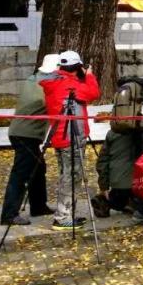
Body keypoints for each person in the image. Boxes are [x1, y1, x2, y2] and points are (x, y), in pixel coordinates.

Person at [40, 50, 101, 231]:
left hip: (59, 136)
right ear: (77, 68)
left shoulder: (53, 82)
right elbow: (93, 93)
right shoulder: (71, 84)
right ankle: (63, 216)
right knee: (71, 177)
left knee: (66, 174)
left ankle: (67, 213)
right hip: (71, 137)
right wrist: (89, 75)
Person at [0, 54, 60, 226]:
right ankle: (9, 214)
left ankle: (38, 205)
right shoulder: (45, 86)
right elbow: (55, 104)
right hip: (26, 134)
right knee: (20, 175)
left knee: (38, 167)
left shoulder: (32, 80)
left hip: (21, 132)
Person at [92, 130, 137, 218]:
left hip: (118, 183)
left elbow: (102, 162)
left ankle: (108, 201)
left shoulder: (112, 133)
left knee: (119, 196)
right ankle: (128, 203)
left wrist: (104, 187)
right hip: (139, 183)